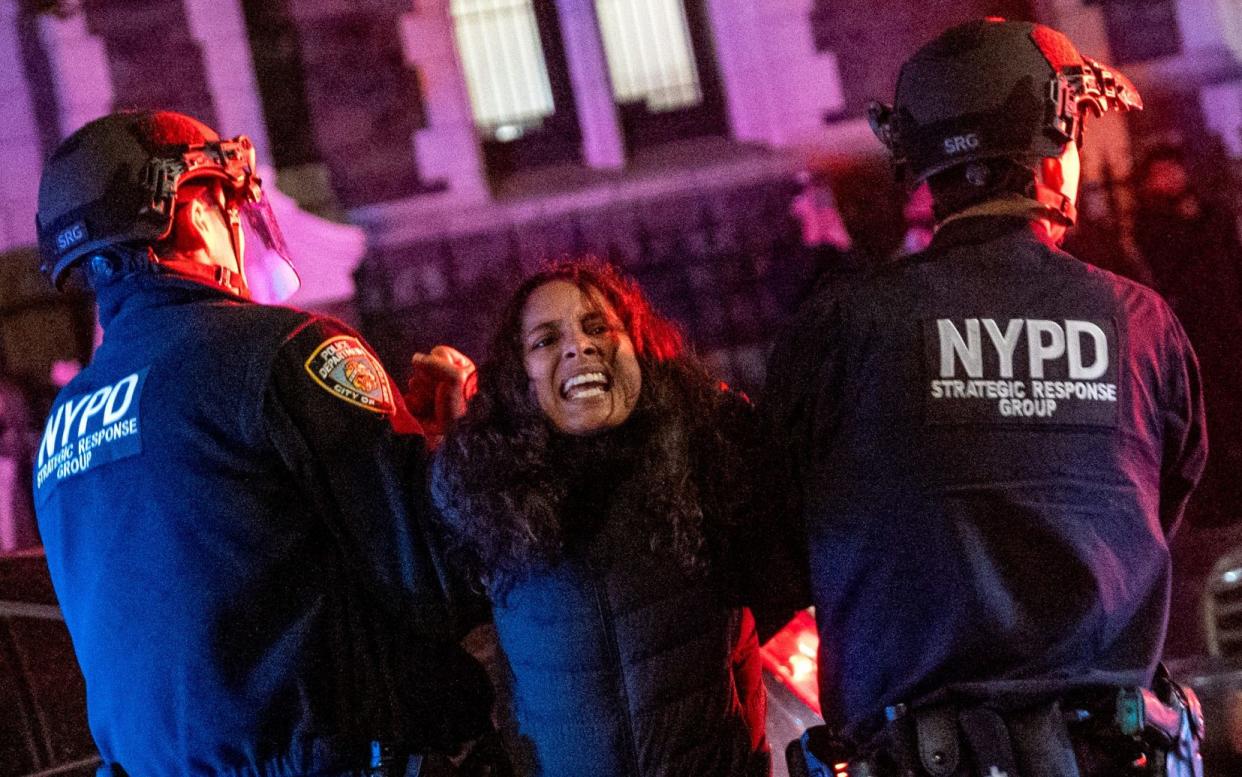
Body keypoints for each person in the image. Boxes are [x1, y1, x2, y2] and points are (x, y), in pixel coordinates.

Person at [763, 19, 1207, 776]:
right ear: (1050, 143)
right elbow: (1161, 503)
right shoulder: (1140, 324)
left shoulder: (841, 330)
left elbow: (780, 533)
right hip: (1110, 751)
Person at [32, 110, 495, 776]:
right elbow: (438, 582)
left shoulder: (63, 427)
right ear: (193, 214)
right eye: (228, 204)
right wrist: (447, 442)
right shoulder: (287, 350)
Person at [430, 259, 800, 777]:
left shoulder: (706, 460)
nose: (579, 347)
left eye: (598, 326)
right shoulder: (490, 500)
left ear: (638, 347)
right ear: (521, 377)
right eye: (545, 340)